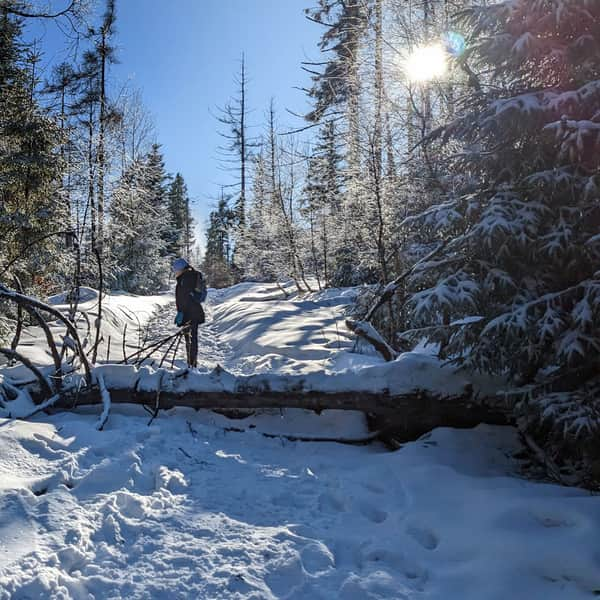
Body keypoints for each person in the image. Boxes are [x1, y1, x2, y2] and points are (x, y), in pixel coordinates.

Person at [172, 258, 206, 368]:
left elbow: (184, 298)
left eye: (175, 270)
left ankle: (191, 363)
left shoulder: (185, 279)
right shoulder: (191, 276)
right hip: (194, 312)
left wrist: (181, 312)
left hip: (189, 313)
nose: (175, 272)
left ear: (180, 269)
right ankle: (192, 362)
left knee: (190, 339)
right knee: (192, 338)